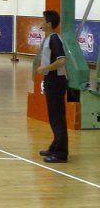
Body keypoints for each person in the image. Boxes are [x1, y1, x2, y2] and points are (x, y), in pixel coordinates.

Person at [35, 10, 68, 163]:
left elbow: (62, 60)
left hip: (56, 81)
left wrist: (45, 69)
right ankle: (55, 146)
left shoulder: (54, 39)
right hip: (51, 81)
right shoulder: (49, 39)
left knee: (57, 118)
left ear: (48, 23)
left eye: (43, 20)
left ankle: (61, 153)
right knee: (54, 117)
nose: (41, 22)